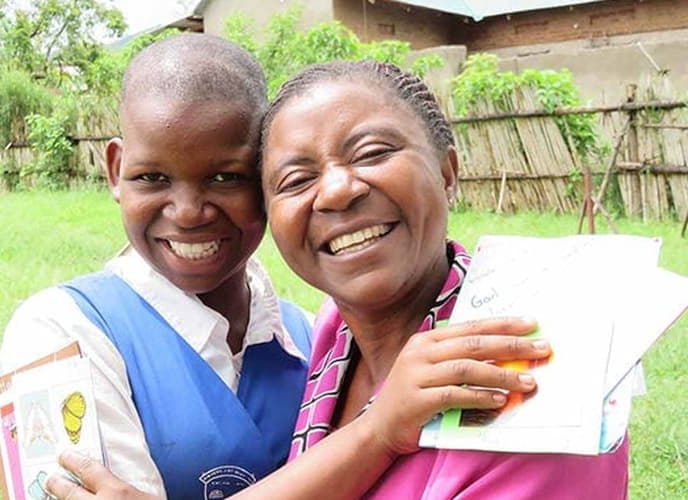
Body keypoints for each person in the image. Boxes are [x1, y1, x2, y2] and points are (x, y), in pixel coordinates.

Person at [2, 35, 550, 500]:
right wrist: (377, 430)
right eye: (152, 178)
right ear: (117, 170)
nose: (189, 212)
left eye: (226, 177)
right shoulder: (56, 337)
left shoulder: (308, 337)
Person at [250, 60, 630, 498]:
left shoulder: (539, 374)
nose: (337, 190)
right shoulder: (334, 331)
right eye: (297, 180)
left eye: (372, 153)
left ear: (447, 172)